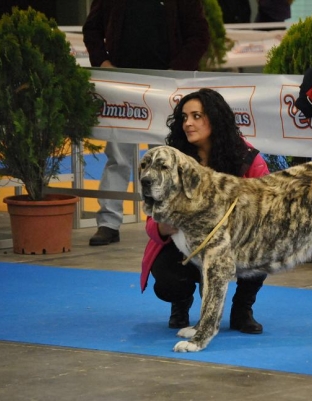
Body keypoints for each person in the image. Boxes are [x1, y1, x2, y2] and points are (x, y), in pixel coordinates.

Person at [82, 0, 210, 246]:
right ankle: (108, 223)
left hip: (166, 88)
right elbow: (92, 29)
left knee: (167, 160)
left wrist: (176, 72)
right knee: (117, 156)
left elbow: (199, 35)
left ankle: (168, 223)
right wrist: (102, 62)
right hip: (121, 84)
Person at [141, 88, 269, 334]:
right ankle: (181, 302)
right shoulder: (171, 159)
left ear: (215, 118)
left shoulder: (247, 157)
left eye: (196, 116)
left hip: (234, 242)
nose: (188, 123)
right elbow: (151, 219)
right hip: (184, 245)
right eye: (185, 117)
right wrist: (161, 226)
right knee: (169, 283)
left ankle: (242, 309)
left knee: (261, 245)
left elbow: (267, 205)